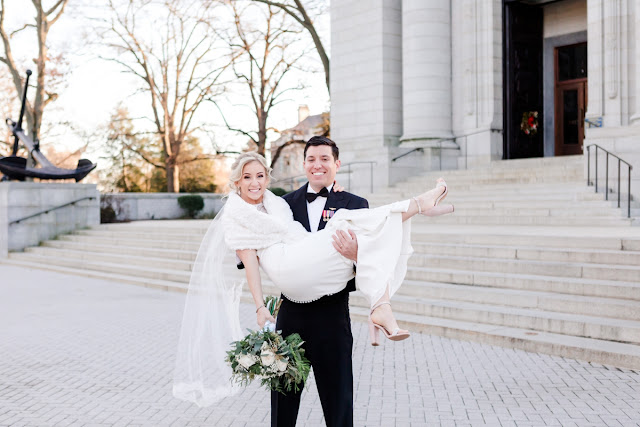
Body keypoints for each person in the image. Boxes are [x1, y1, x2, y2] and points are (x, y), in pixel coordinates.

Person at [172, 145, 453, 418]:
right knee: (283, 405)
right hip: (291, 309)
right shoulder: (288, 201)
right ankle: (417, 211)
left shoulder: (350, 203)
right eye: (311, 159)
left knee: (338, 405)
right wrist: (260, 307)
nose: (317, 164)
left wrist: (358, 255)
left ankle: (383, 300)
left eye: (324, 159)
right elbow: (248, 260)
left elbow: (370, 249)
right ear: (304, 164)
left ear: (336, 165)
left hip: (332, 314)